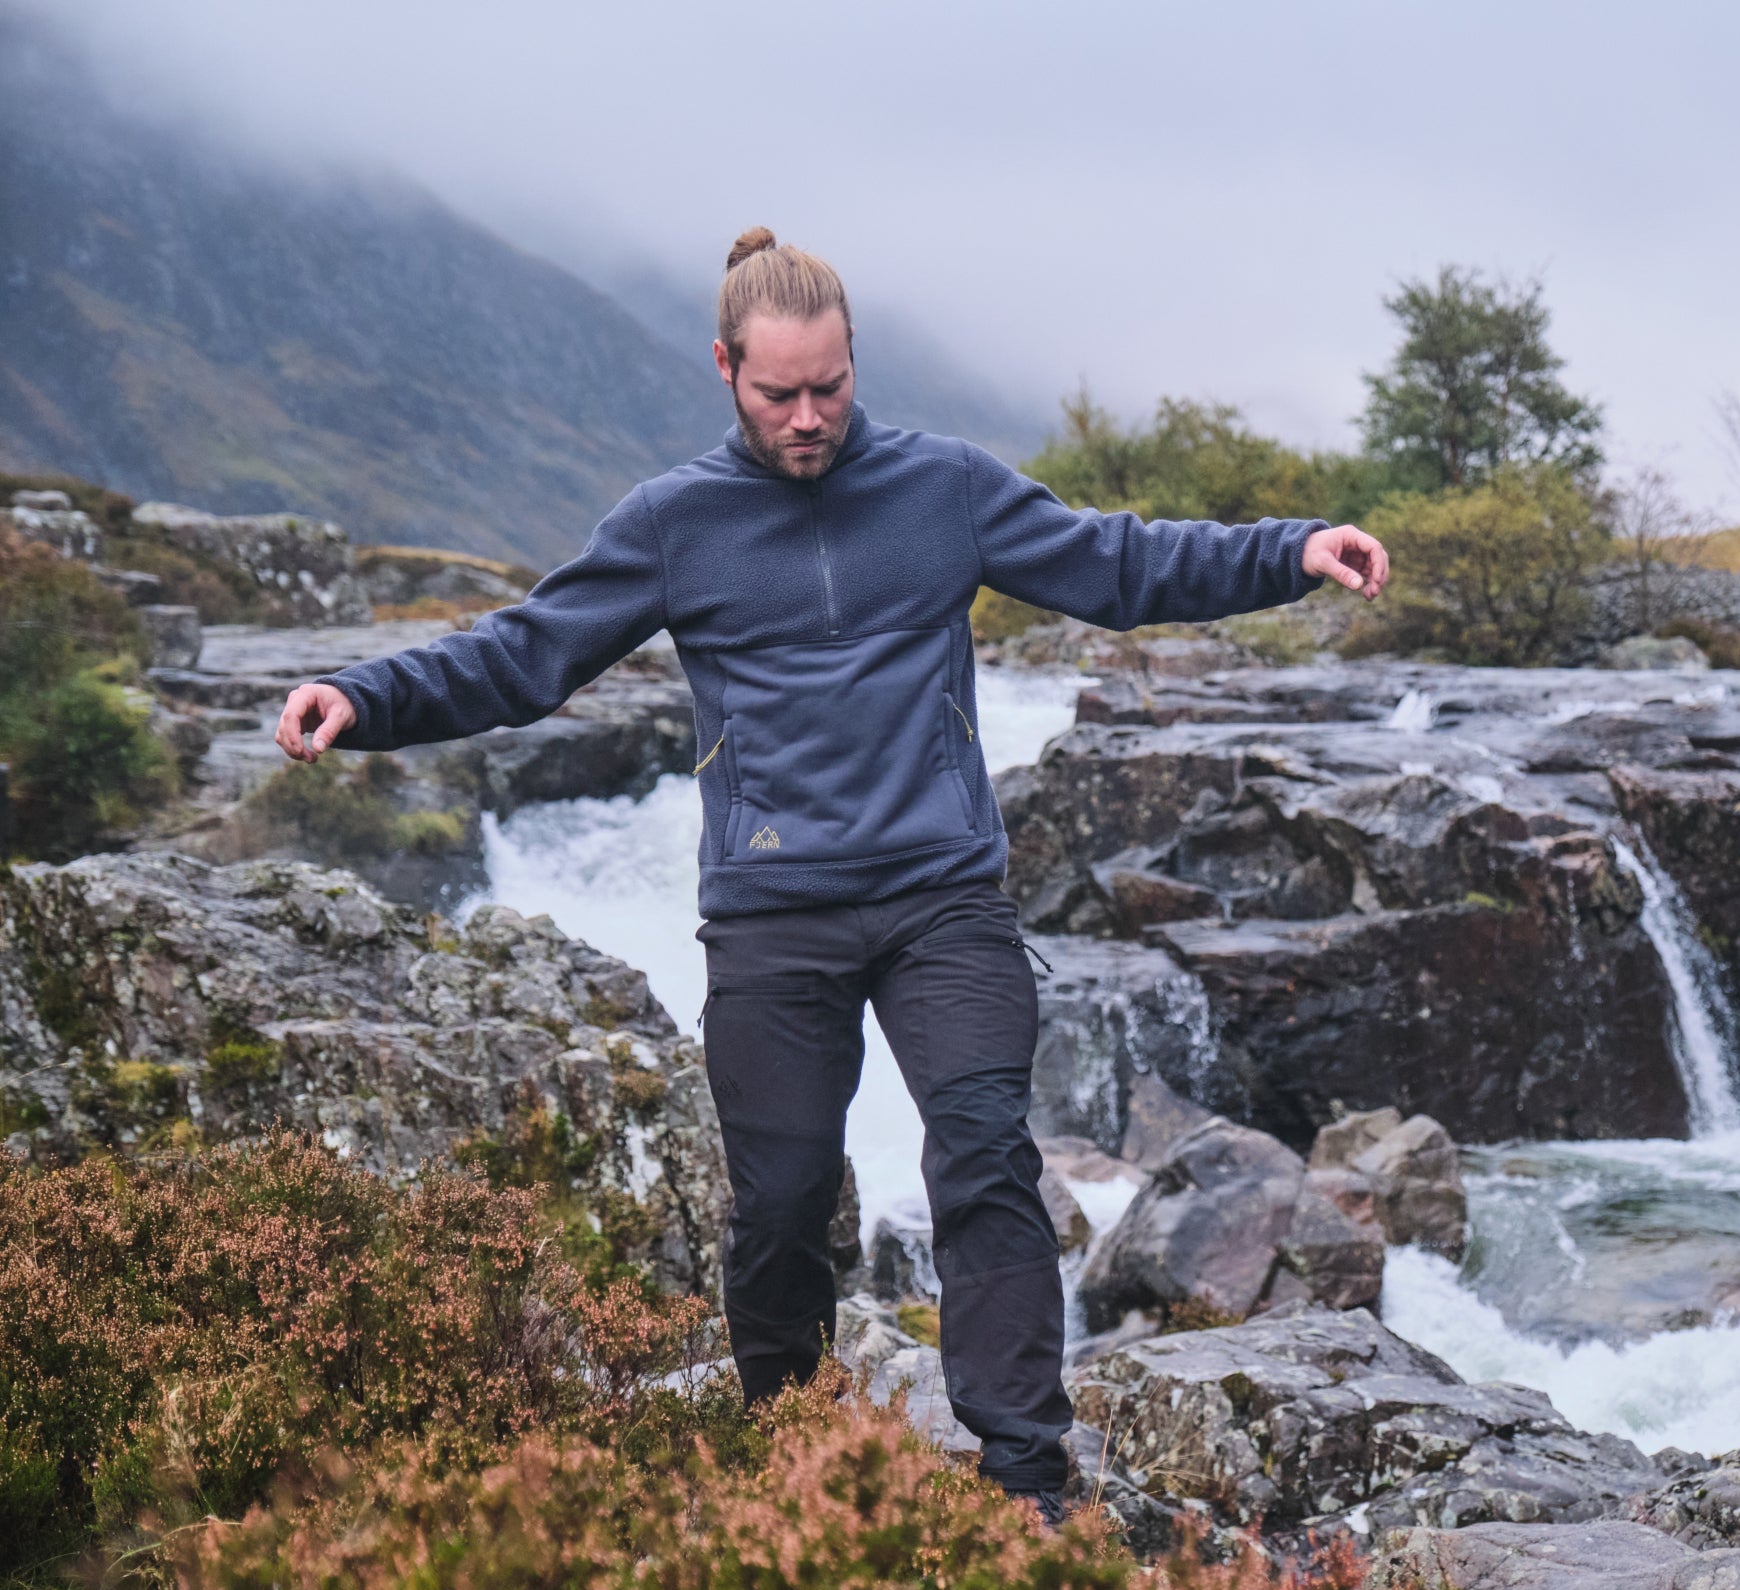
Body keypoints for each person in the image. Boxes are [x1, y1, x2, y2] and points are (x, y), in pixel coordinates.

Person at [273, 227, 1390, 1522]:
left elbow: (1119, 563)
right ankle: (794, 1458)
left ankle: (1027, 1482)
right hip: (771, 919)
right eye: (777, 394)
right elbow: (525, 656)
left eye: (830, 388)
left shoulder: (946, 490)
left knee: (981, 1161)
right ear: (724, 370)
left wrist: (1291, 550)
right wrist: (363, 698)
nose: (808, 419)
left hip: (942, 904)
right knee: (785, 1205)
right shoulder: (673, 523)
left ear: (856, 361)